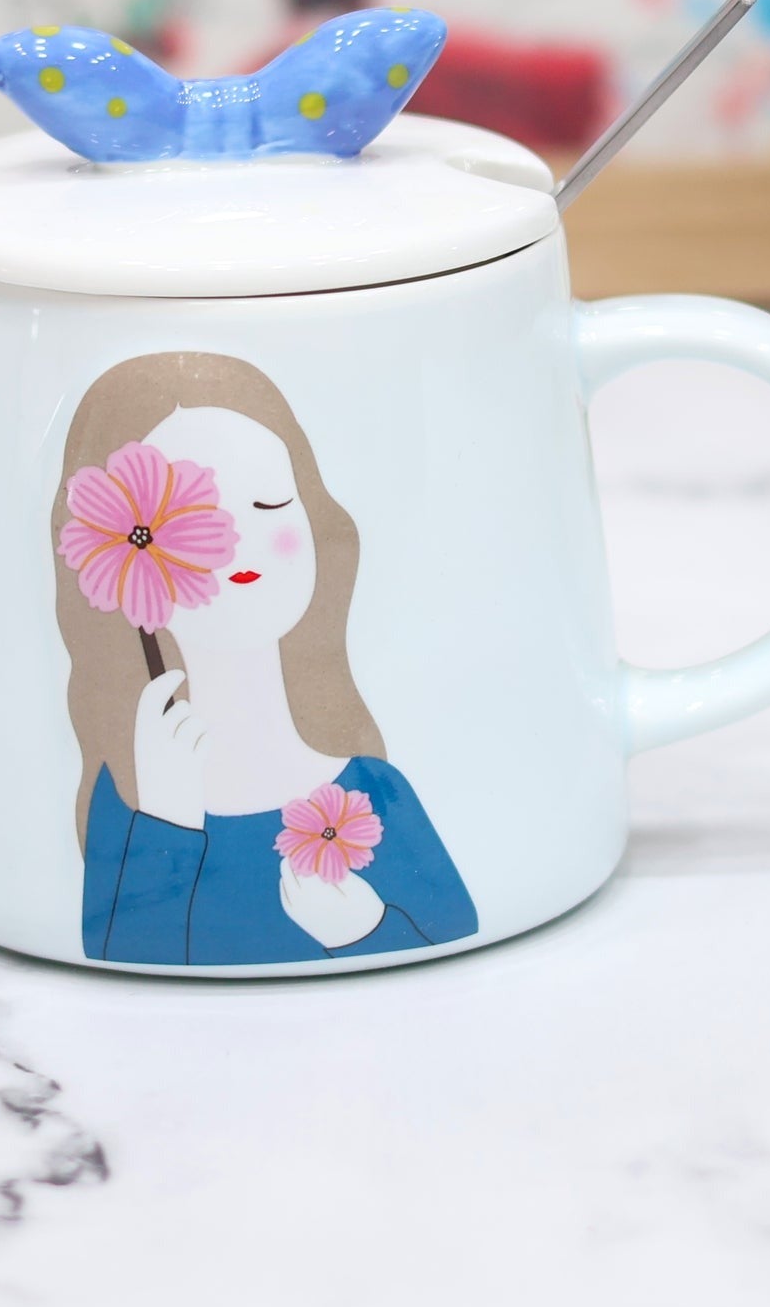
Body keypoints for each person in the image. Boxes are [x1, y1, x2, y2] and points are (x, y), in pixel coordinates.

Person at [53, 352, 477, 967]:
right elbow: (124, 959)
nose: (238, 541)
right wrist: (167, 828)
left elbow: (454, 935)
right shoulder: (129, 807)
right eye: (197, 521)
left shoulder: (372, 794)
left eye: (270, 506)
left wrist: (366, 929)